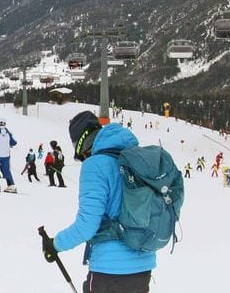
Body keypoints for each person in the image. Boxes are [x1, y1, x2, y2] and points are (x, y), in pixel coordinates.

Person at [41, 111, 155, 293]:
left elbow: (87, 225)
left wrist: (55, 245)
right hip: (143, 266)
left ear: (80, 143)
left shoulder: (95, 165)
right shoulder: (135, 160)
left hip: (110, 270)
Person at [0, 118, 18, 193]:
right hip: (6, 155)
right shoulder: (8, 132)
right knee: (6, 170)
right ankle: (11, 186)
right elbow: (14, 142)